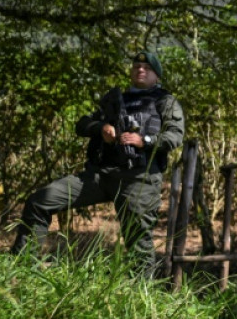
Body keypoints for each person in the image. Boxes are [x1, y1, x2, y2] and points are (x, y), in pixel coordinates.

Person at [11, 51, 185, 274]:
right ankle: (22, 269)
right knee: (39, 201)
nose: (140, 70)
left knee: (139, 240)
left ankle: (140, 296)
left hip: (138, 178)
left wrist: (144, 140)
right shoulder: (116, 100)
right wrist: (101, 129)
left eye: (147, 68)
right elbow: (82, 124)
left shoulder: (165, 101)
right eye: (136, 66)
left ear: (157, 76)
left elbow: (174, 136)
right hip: (100, 175)